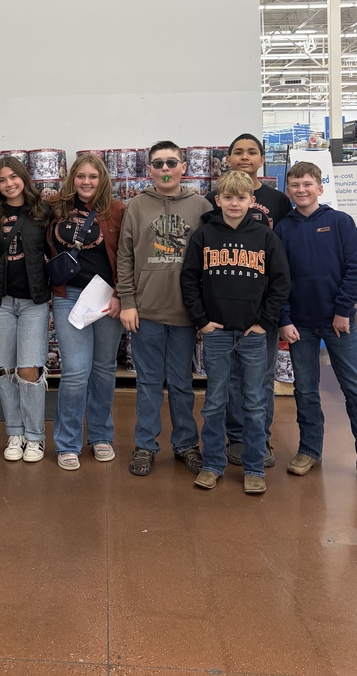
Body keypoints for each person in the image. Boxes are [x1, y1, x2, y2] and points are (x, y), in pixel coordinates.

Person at [275, 161, 357, 490]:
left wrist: (343, 310)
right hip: (299, 326)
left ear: (320, 187)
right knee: (305, 391)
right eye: (295, 185)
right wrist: (284, 319)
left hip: (338, 324)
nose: (301, 190)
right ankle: (309, 451)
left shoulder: (339, 222)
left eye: (307, 184)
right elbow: (278, 278)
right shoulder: (283, 229)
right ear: (288, 191)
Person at [181, 171, 290, 494]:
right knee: (214, 401)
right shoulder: (203, 236)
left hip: (253, 334)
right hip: (215, 332)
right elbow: (189, 280)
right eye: (228, 197)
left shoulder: (265, 237)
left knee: (255, 402)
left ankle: (254, 467)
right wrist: (201, 320)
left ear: (251, 201)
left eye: (241, 198)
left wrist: (265, 322)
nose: (234, 203)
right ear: (218, 200)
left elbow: (281, 282)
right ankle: (213, 464)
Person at [117, 140, 210, 478]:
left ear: (184, 166)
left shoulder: (201, 206)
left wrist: (203, 311)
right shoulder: (136, 206)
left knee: (183, 384)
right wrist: (127, 301)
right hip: (146, 312)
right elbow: (125, 256)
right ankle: (145, 444)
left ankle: (186, 444)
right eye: (158, 164)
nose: (166, 169)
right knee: (149, 383)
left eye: (172, 162)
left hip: (186, 313)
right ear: (150, 170)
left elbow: (208, 260)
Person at [205, 133, 293, 469]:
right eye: (238, 152)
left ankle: (260, 439)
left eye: (252, 152)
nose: (245, 156)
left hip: (262, 308)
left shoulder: (278, 200)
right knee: (228, 381)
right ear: (227, 159)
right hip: (224, 310)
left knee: (260, 380)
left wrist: (275, 313)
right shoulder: (216, 199)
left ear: (261, 159)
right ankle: (236, 438)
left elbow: (283, 258)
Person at [48, 153, 125, 470]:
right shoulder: (54, 208)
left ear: (102, 179)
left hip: (107, 298)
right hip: (68, 295)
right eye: (81, 176)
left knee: (104, 369)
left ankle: (101, 436)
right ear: (72, 179)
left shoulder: (118, 210)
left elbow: (127, 254)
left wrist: (122, 294)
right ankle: (68, 442)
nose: (87, 182)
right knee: (77, 372)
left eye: (93, 176)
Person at [0, 156, 51, 463]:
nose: (9, 184)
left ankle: (35, 437)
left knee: (29, 369)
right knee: (5, 370)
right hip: (0, 301)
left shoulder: (42, 212)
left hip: (34, 300)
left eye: (13, 177)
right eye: (2, 180)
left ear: (24, 177)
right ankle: (14, 432)